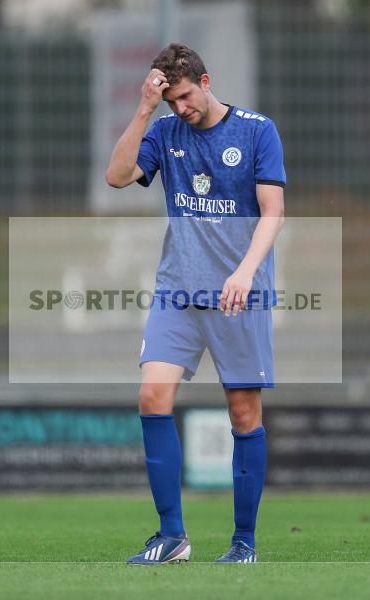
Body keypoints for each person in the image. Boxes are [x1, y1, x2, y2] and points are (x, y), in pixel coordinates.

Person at [106, 43, 286, 564]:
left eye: (185, 96)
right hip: (178, 291)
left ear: (205, 83)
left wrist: (246, 273)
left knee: (244, 411)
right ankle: (172, 536)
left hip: (238, 295)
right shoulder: (164, 132)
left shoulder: (256, 131)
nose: (180, 108)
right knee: (150, 398)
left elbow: (273, 211)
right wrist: (145, 108)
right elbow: (116, 177)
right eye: (172, 102)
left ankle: (244, 542)